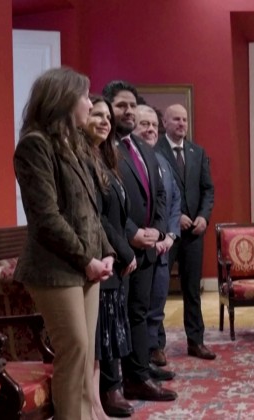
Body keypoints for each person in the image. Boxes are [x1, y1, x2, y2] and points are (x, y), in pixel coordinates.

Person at [13, 67, 114, 419]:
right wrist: (87, 259)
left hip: (86, 265)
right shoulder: (35, 145)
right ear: (63, 99)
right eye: (84, 96)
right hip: (54, 268)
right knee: (74, 348)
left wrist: (106, 252)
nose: (89, 103)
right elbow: (46, 217)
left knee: (85, 354)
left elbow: (89, 209)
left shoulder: (74, 144)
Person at [102, 80, 176, 401]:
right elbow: (105, 200)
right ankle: (122, 380)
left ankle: (139, 372)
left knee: (140, 312)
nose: (128, 111)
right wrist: (132, 232)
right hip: (120, 246)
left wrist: (157, 230)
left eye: (132, 105)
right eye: (122, 105)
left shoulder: (144, 148)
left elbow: (159, 195)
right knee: (117, 316)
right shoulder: (104, 148)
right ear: (108, 108)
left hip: (147, 245)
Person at [84, 96, 137, 418]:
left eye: (107, 117)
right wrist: (123, 251)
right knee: (99, 336)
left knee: (108, 334)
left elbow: (118, 213)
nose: (105, 121)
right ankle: (103, 396)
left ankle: (104, 395)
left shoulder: (105, 160)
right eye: (97, 115)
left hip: (112, 259)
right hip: (100, 257)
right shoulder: (83, 161)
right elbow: (99, 217)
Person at [154, 103, 216, 360]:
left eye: (184, 120)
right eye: (176, 119)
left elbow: (207, 189)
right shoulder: (154, 150)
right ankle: (156, 345)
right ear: (165, 123)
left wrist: (203, 217)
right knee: (159, 290)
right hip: (166, 233)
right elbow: (155, 192)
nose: (181, 124)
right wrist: (175, 217)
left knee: (192, 290)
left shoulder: (197, 152)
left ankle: (196, 341)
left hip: (193, 234)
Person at [135, 104, 182, 367]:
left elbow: (174, 201)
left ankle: (154, 350)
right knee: (138, 310)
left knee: (157, 306)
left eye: (154, 125)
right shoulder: (122, 159)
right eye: (144, 124)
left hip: (162, 249)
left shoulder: (162, 161)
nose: (151, 129)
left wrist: (170, 235)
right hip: (137, 249)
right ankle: (140, 362)